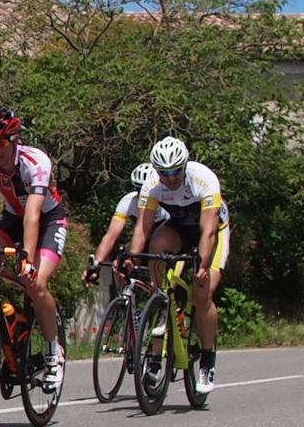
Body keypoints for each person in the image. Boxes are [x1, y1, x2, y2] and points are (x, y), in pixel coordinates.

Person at [0, 108, 68, 391]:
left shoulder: (35, 162)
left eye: (1, 143)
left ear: (14, 140)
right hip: (12, 218)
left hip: (48, 219)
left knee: (35, 283)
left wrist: (26, 259)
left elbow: (33, 215)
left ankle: (53, 352)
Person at [126, 136, 229, 392]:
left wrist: (202, 267)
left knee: (202, 292)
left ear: (184, 166)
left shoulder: (203, 179)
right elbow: (143, 228)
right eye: (164, 173)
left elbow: (208, 232)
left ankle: (207, 359)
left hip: (212, 230)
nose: (170, 178)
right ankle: (161, 318)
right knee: (157, 249)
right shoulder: (152, 185)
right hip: (179, 228)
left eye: (175, 172)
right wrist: (132, 257)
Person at [85, 163, 169, 285]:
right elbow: (110, 237)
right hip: (142, 243)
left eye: (148, 189)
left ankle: (160, 288)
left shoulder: (167, 201)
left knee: (159, 254)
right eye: (139, 190)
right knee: (120, 262)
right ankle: (124, 294)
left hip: (164, 244)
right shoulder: (128, 202)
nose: (144, 194)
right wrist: (96, 264)